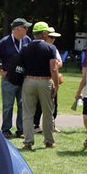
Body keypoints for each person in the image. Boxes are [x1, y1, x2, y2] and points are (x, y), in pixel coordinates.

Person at [0, 17, 32, 139]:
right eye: (25, 27)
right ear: (17, 29)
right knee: (8, 105)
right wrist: (0, 72)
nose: (27, 29)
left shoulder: (27, 40)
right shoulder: (4, 41)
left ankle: (21, 129)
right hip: (8, 78)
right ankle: (6, 129)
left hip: (23, 78)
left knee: (22, 104)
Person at [20, 21, 60, 150]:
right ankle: (49, 141)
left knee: (27, 113)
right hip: (45, 81)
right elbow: (53, 68)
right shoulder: (50, 48)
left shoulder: (25, 47)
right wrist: (56, 86)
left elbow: (20, 66)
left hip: (28, 81)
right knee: (48, 112)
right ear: (43, 34)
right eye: (47, 32)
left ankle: (28, 142)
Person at [33, 27, 63, 133]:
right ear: (45, 35)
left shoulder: (53, 48)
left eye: (54, 37)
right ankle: (35, 125)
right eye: (51, 37)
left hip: (52, 79)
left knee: (54, 103)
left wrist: (53, 64)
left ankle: (52, 124)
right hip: (41, 79)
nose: (53, 39)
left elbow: (60, 62)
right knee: (38, 105)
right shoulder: (38, 48)